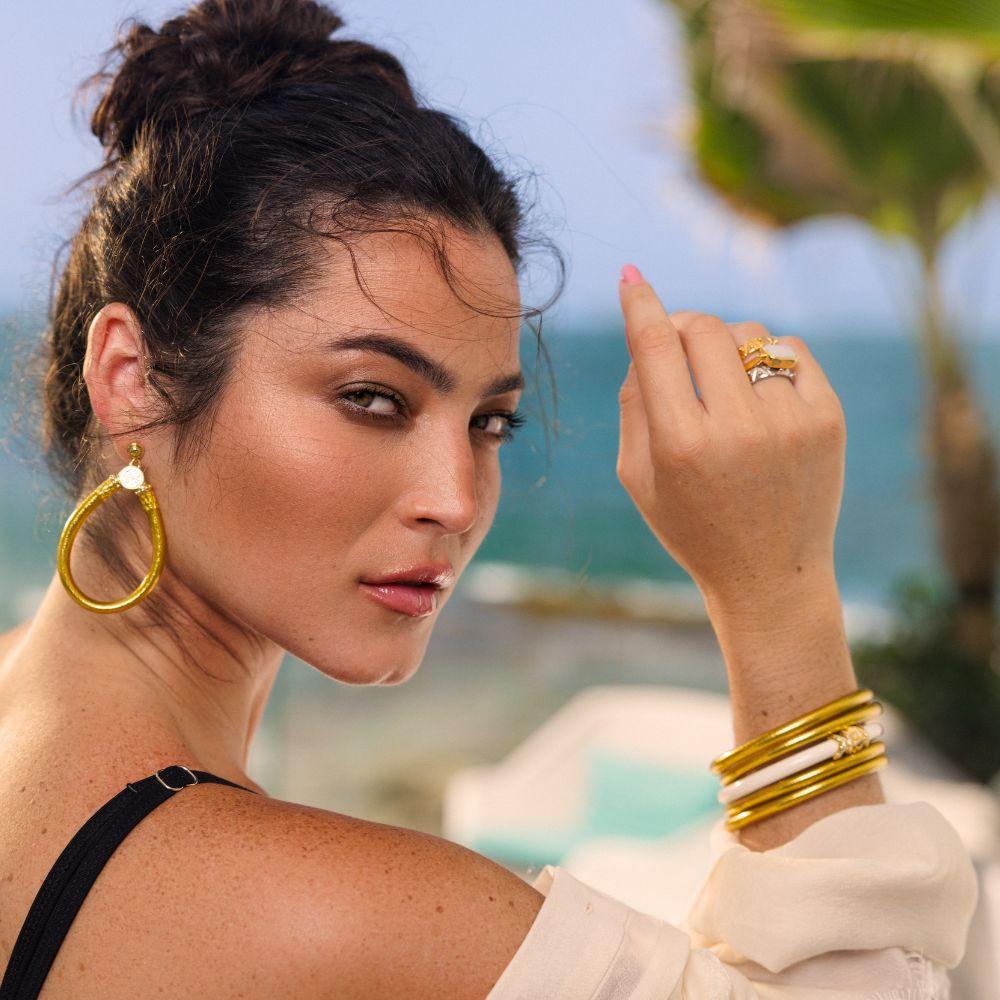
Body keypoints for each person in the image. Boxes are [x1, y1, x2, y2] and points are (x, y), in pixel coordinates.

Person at [0, 1, 978, 997]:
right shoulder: (349, 920)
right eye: (372, 398)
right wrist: (779, 593)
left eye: (490, 423)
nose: (457, 500)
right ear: (131, 377)